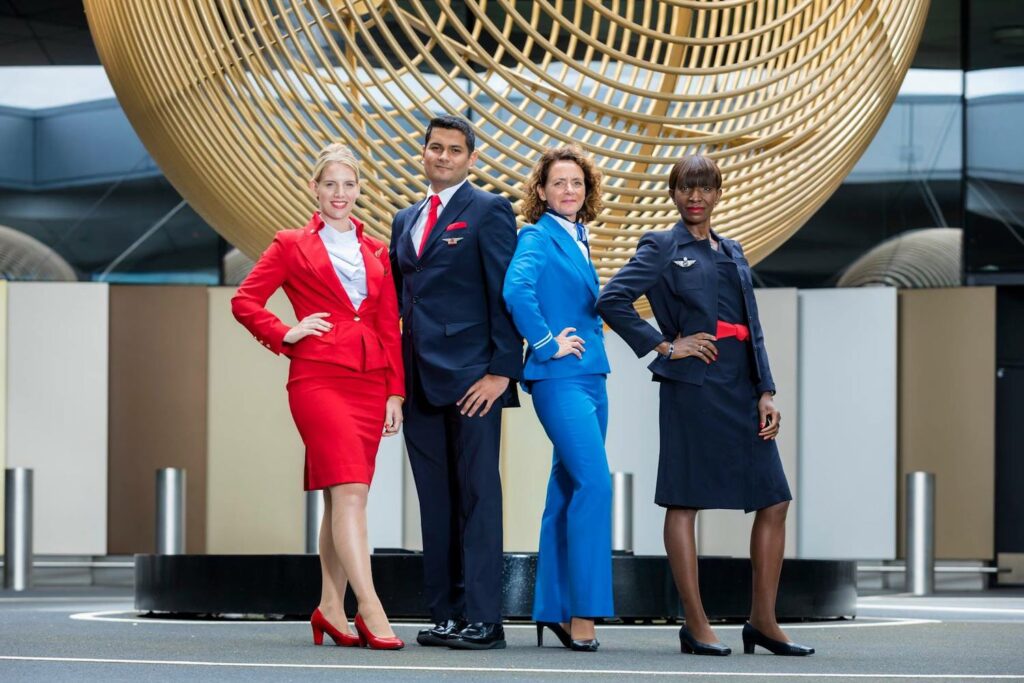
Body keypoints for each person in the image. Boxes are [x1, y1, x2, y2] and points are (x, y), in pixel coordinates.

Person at [596, 155, 814, 657]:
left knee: (774, 499)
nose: (695, 197)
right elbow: (612, 300)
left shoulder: (733, 249)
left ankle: (763, 622)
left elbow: (753, 327)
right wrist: (665, 346)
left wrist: (766, 392)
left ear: (718, 193)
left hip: (741, 389)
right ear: (673, 193)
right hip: (692, 389)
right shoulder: (660, 246)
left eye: (705, 188)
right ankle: (696, 625)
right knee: (684, 500)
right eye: (686, 188)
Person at [232, 143, 405, 651]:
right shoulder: (290, 244)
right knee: (350, 492)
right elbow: (245, 300)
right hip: (318, 379)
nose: (340, 193)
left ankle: (330, 608)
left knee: (342, 496)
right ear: (314, 188)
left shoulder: (377, 251)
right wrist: (285, 332)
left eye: (348, 185)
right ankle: (369, 607)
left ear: (359, 190)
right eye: (330, 184)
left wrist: (395, 392)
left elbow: (388, 326)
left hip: (370, 382)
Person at [389, 115, 523, 650]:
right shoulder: (405, 219)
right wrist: (394, 384)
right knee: (435, 501)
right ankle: (446, 613)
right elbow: (400, 304)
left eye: (454, 150)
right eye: (435, 147)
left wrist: (500, 373)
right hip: (418, 381)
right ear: (423, 152)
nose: (442, 156)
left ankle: (485, 618)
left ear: (471, 158)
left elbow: (506, 296)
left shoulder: (489, 210)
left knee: (477, 497)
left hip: (474, 381)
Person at [503, 145, 613, 652]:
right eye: (559, 183)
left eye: (577, 183)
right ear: (542, 191)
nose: (569, 190)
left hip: (592, 377)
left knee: (567, 490)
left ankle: (552, 608)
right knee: (595, 484)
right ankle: (583, 612)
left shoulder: (579, 237)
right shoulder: (536, 235)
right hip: (560, 378)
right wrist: (546, 344)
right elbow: (516, 291)